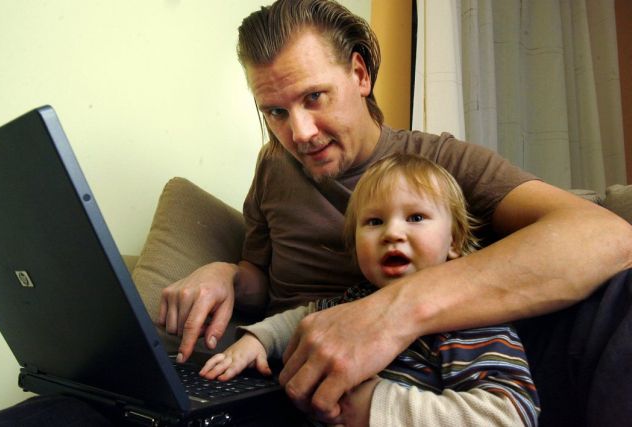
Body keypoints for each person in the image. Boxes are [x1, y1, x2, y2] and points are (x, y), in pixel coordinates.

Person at [157, 0, 632, 425]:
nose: (299, 133)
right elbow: (258, 277)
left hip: (414, 387)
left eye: (314, 97)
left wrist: (390, 314)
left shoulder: (438, 164)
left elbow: (608, 237)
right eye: (275, 112)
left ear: (359, 75)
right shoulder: (274, 166)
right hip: (283, 382)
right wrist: (224, 275)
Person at [201, 153, 541, 427]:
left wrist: (377, 406)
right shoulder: (356, 298)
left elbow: (509, 415)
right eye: (374, 222)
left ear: (453, 241)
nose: (392, 233)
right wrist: (258, 340)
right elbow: (305, 320)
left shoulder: (468, 319)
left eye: (416, 217)